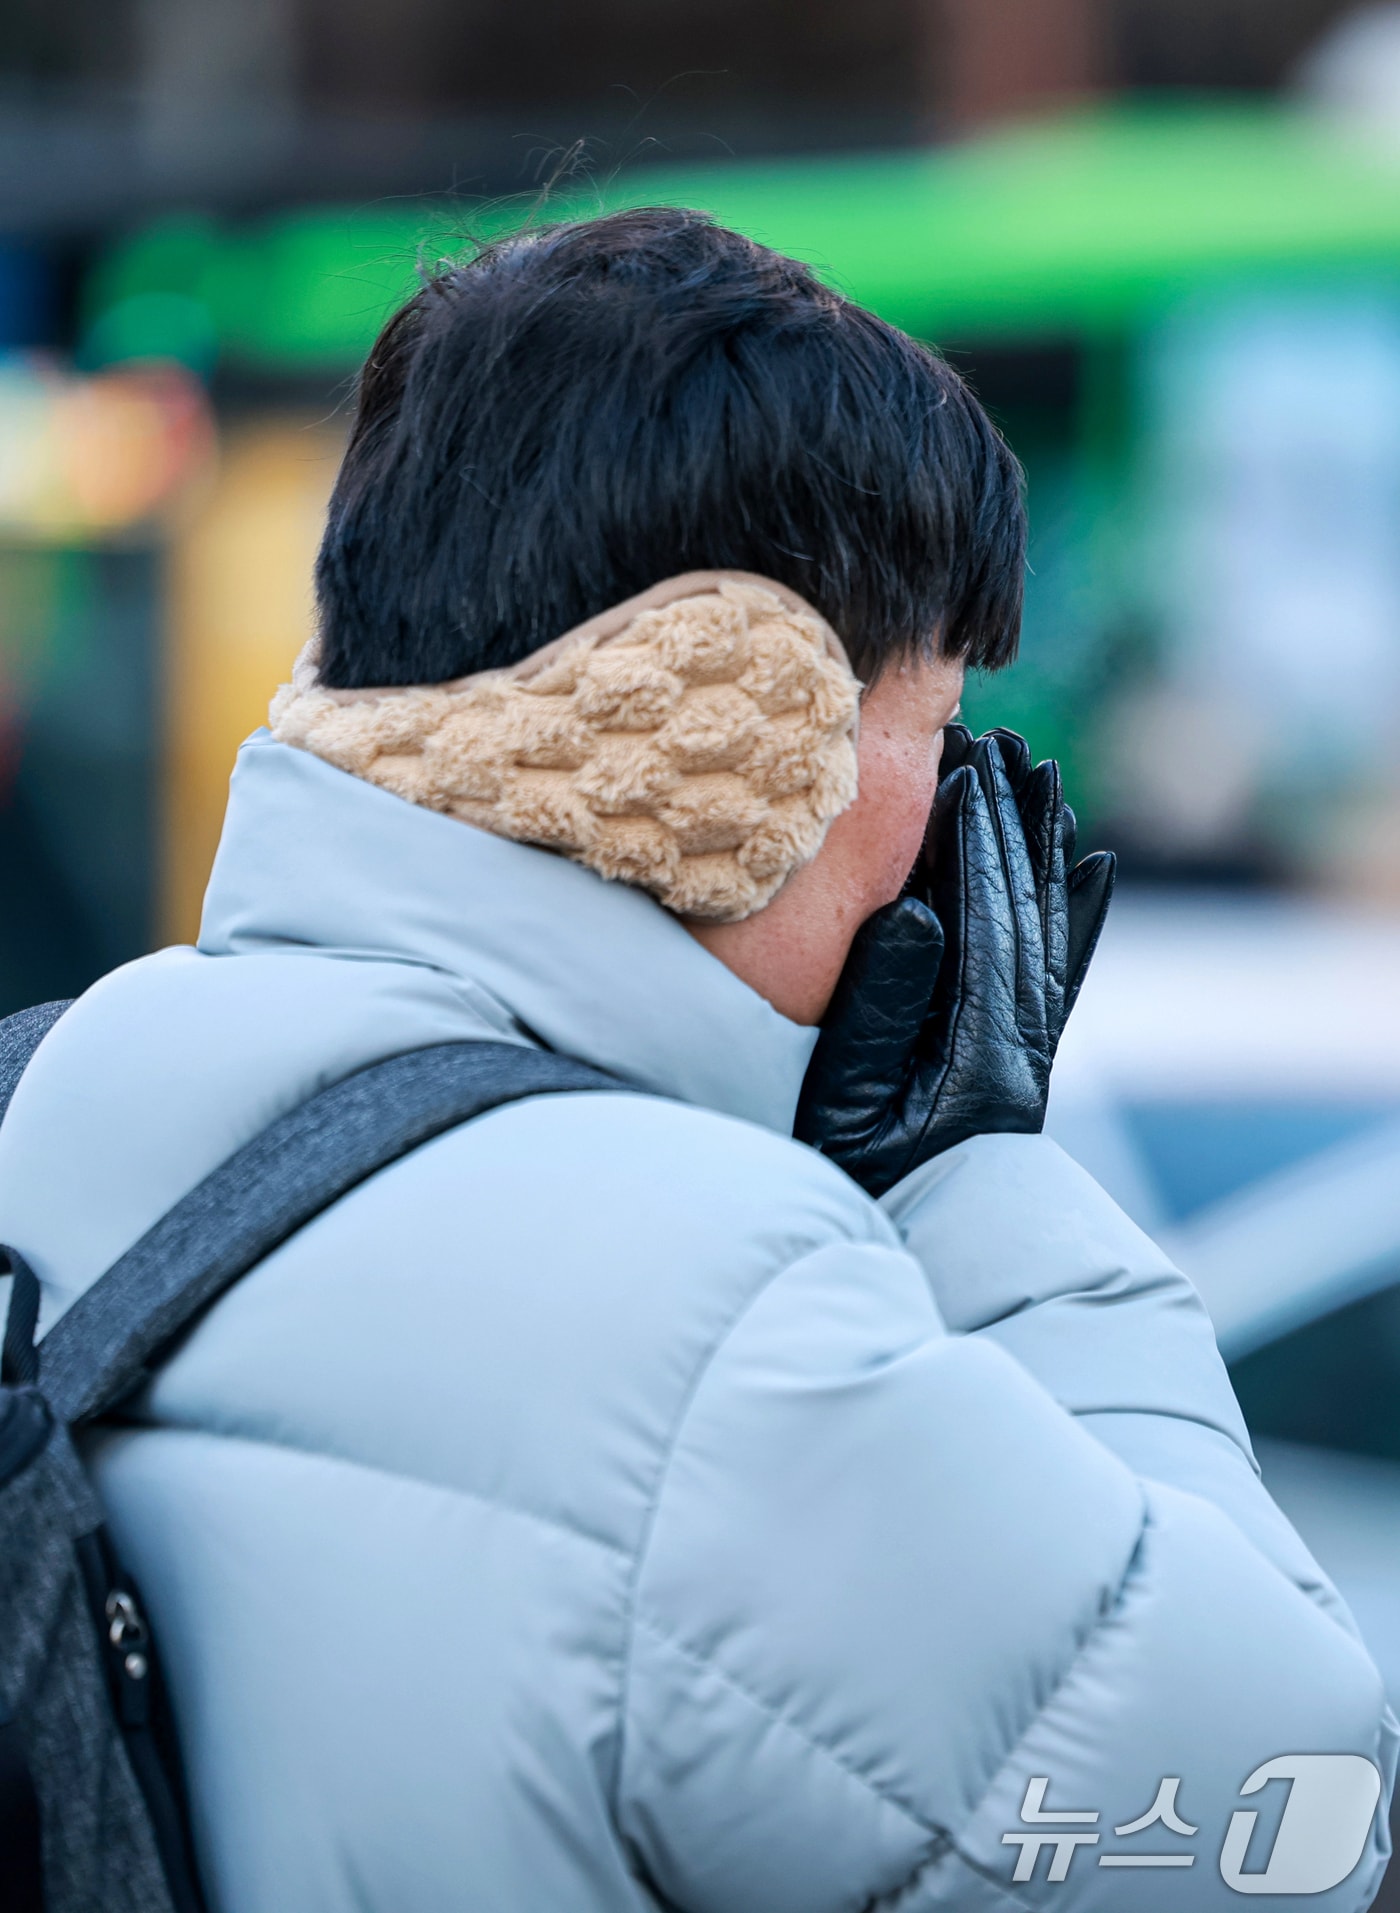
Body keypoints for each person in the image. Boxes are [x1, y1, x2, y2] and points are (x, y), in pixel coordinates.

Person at [0, 208, 1392, 1911]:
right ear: (737, 734)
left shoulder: (43, 1099)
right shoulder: (710, 1312)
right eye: (939, 732)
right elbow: (1288, 1811)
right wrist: (972, 1173)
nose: (960, 828)